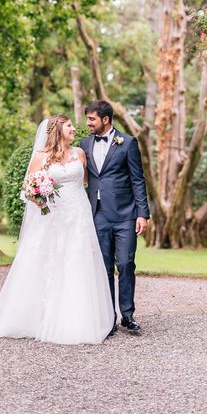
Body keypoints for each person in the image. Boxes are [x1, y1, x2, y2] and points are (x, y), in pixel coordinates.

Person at [0, 114, 115, 344]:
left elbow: (87, 181)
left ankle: (78, 318)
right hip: (53, 215)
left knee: (78, 259)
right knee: (49, 260)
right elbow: (28, 187)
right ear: (58, 130)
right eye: (69, 126)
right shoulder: (41, 157)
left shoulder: (79, 153)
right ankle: (38, 316)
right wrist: (37, 198)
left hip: (78, 212)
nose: (74, 129)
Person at [80, 100, 150, 335]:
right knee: (104, 267)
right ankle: (107, 317)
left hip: (125, 215)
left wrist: (142, 214)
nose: (88, 123)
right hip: (97, 214)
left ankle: (127, 315)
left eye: (92, 119)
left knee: (126, 263)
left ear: (105, 119)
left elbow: (138, 180)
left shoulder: (127, 143)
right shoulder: (84, 145)